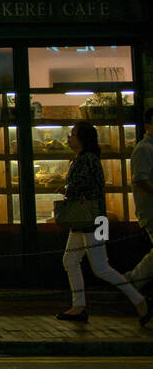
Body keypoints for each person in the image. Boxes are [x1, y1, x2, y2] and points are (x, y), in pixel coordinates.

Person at [56, 121, 150, 325]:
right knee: (71, 261)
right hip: (90, 220)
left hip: (91, 220)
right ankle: (78, 305)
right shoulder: (87, 158)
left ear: (82, 139)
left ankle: (140, 301)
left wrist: (65, 190)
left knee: (101, 267)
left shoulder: (86, 160)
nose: (69, 138)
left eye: (72, 134)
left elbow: (81, 187)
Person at [124, 107, 153, 292]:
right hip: (150, 210)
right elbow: (141, 180)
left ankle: (132, 281)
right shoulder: (144, 148)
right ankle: (132, 280)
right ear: (148, 125)